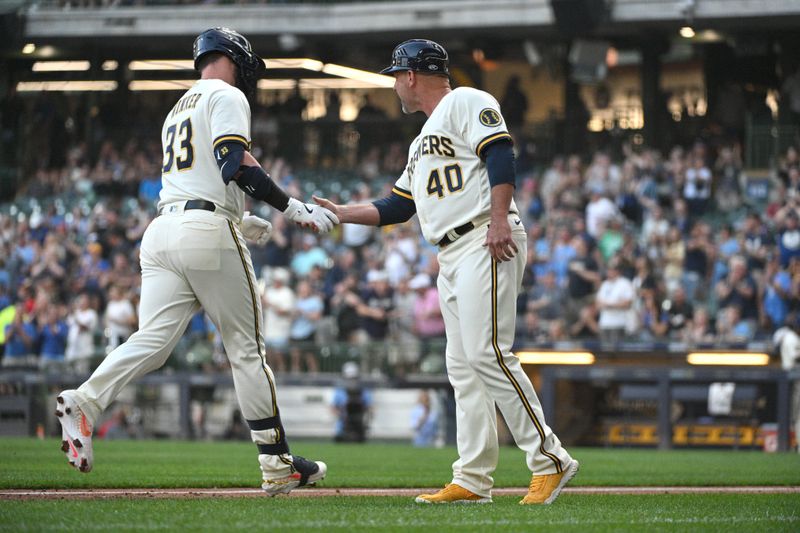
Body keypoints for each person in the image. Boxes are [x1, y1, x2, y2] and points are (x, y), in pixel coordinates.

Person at [54, 27, 336, 494]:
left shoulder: (176, 108)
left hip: (163, 230)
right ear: (234, 59)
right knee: (247, 352)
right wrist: (292, 208)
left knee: (153, 340)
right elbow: (233, 162)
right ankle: (276, 462)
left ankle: (86, 400)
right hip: (204, 230)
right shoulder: (226, 94)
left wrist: (237, 219)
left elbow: (201, 181)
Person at [314, 39, 578, 505]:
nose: (395, 83)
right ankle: (473, 479)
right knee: (463, 368)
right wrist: (340, 212)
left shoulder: (466, 100)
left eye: (397, 75)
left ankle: (550, 459)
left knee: (487, 352)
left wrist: (498, 218)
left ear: (412, 75)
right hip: (452, 252)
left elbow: (500, 153)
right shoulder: (421, 141)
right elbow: (396, 206)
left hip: (484, 234)